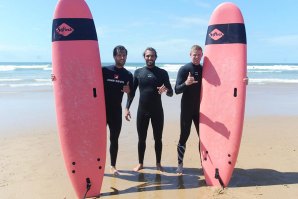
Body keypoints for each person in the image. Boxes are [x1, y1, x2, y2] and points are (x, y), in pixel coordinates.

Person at [126, 47, 173, 172]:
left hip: (157, 111)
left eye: (152, 56)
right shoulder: (138, 73)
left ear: (155, 57)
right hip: (142, 111)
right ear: (144, 57)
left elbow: (171, 93)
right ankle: (140, 163)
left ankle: (158, 163)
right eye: (147, 56)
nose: (150, 58)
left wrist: (166, 90)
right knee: (141, 139)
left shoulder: (162, 73)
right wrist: (126, 108)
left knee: (158, 138)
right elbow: (132, 93)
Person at [102, 45, 133, 175]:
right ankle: (96, 165)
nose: (122, 57)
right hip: (101, 111)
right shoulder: (104, 70)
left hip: (116, 111)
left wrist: (127, 103)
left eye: (124, 55)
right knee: (98, 139)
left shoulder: (127, 75)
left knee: (114, 139)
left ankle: (113, 166)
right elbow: (85, 79)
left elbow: (131, 94)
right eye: (119, 55)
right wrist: (57, 77)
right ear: (114, 56)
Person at [175, 45, 203, 174]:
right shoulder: (184, 69)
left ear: (202, 55)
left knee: (203, 138)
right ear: (190, 54)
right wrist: (186, 83)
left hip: (200, 110)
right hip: (186, 108)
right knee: (184, 136)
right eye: (194, 55)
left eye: (199, 55)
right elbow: (176, 90)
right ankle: (180, 164)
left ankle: (204, 164)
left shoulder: (205, 69)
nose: (196, 57)